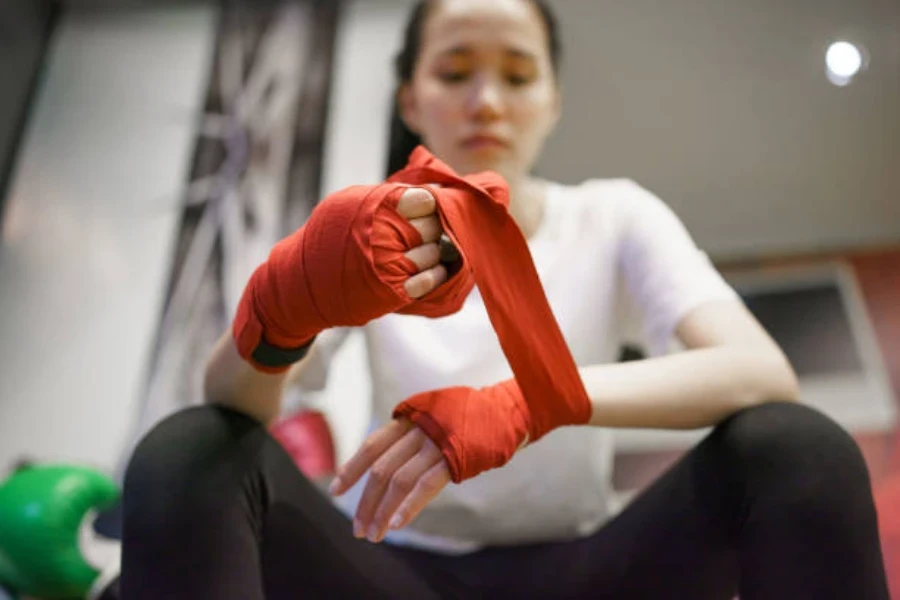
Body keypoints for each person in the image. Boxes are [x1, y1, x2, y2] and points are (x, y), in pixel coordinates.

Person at [119, 0, 890, 598]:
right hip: (393, 576)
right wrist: (285, 302)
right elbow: (230, 406)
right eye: (455, 72)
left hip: (587, 574)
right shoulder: (366, 232)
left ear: (552, 101)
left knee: (797, 447)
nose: (487, 101)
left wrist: (530, 399)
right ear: (411, 102)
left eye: (518, 76)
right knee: (189, 451)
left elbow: (758, 370)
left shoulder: (612, 215)